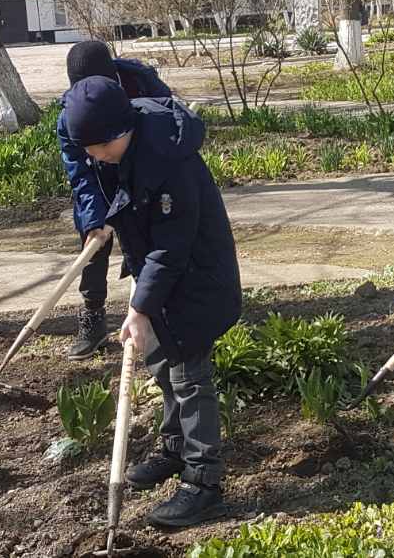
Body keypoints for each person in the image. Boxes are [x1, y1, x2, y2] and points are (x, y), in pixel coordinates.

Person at [60, 77, 240, 528]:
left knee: (189, 374)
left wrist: (138, 309)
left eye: (97, 148)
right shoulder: (121, 147)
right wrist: (97, 219)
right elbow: (111, 196)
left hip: (198, 278)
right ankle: (175, 450)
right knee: (162, 362)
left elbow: (172, 247)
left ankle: (204, 483)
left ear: (120, 133)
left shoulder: (170, 160)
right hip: (160, 277)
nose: (92, 157)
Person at [57, 41, 173, 359]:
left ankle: (157, 321)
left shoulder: (142, 86)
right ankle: (93, 319)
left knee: (152, 250)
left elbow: (168, 138)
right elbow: (79, 172)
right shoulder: (71, 112)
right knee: (93, 244)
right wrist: (97, 219)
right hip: (100, 182)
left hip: (146, 179)